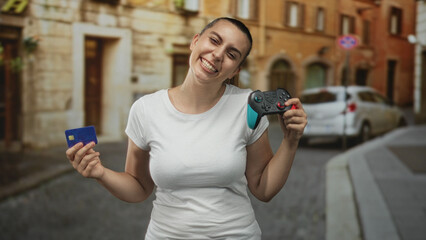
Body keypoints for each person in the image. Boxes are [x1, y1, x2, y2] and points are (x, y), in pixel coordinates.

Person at [66, 17, 307, 239]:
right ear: (195, 41)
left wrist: (290, 141)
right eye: (214, 40)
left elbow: (263, 189)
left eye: (232, 54)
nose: (217, 54)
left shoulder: (248, 106)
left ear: (235, 71)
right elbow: (138, 187)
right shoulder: (146, 109)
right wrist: (100, 173)